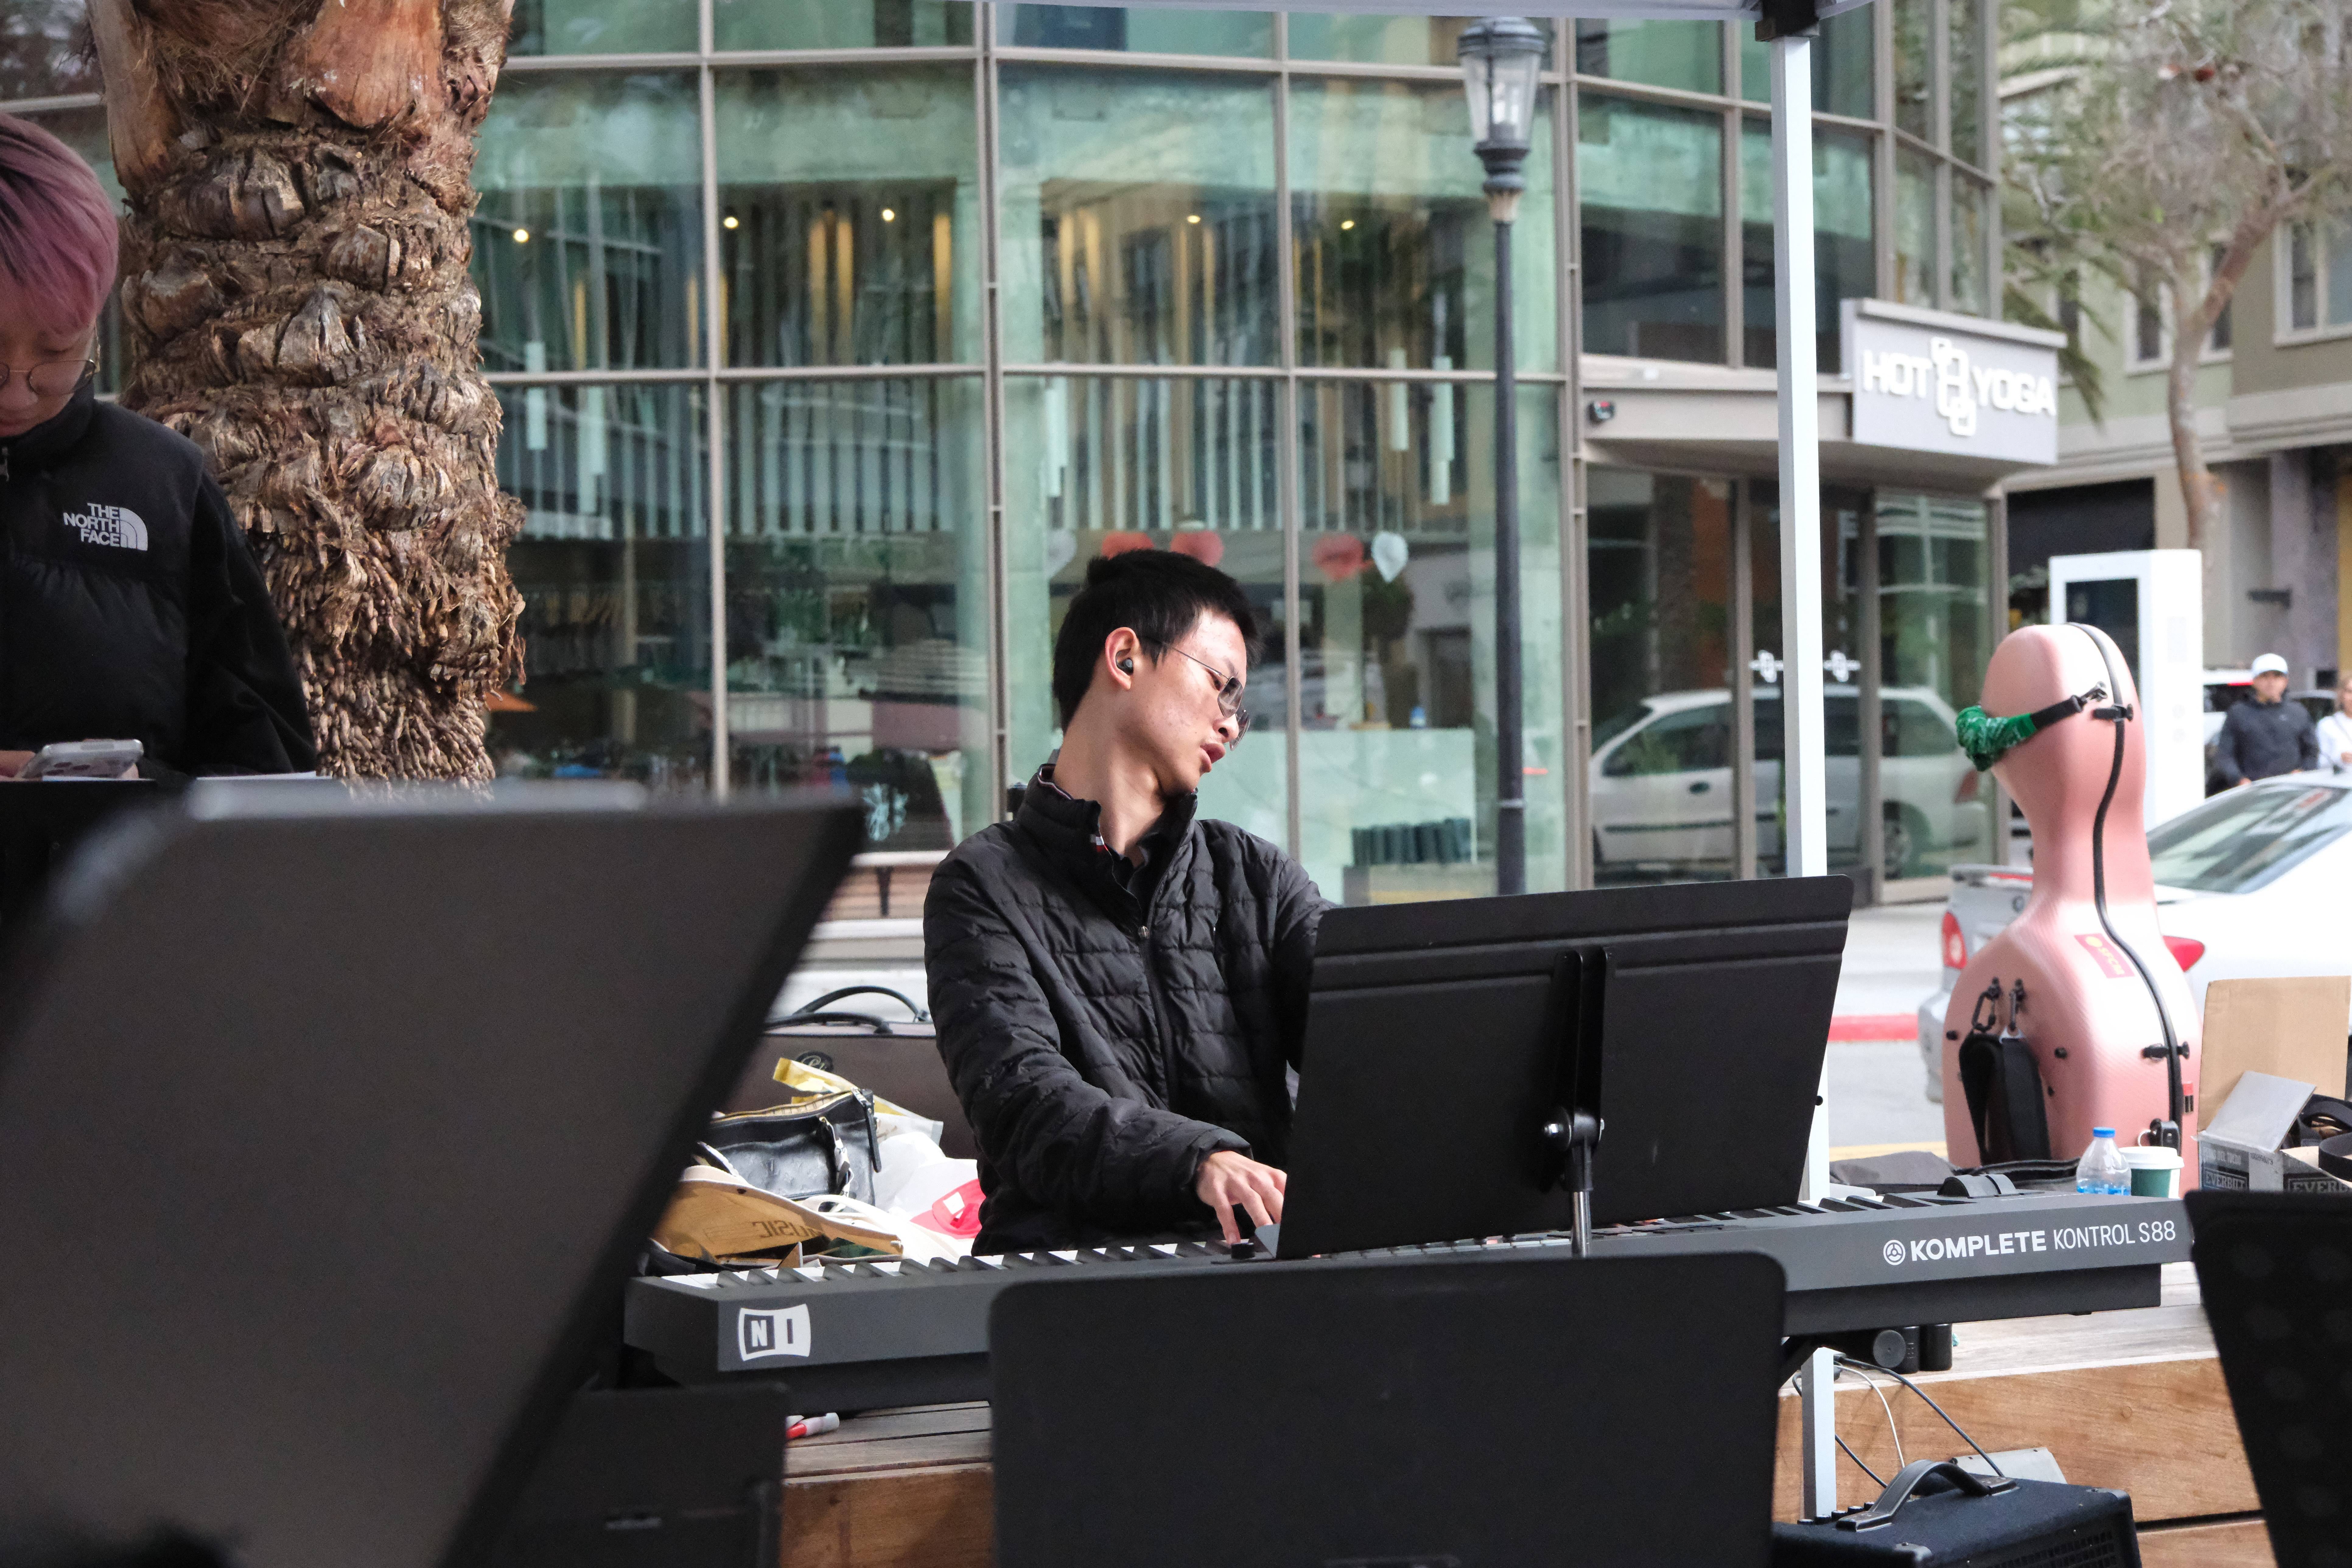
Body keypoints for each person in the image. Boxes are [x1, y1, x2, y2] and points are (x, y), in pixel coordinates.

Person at [923, 549, 1324, 1253]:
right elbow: (1025, 1107)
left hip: (1257, 1282)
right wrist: (1198, 1161)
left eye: (1240, 706)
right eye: (1222, 687)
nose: (1231, 724)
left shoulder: (1257, 878)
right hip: (1073, 1297)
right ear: (1127, 656)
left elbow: (1361, 1029)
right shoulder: (983, 884)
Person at [0, 115, 314, 779]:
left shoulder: (161, 482)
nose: (19, 396)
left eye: (57, 352)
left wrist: (136, 799)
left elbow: (270, 772)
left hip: (114, 884)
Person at [2213, 653, 2317, 787]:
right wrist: (2239, 780)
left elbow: (2312, 751)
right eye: (2265, 676)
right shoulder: (2238, 713)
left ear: (2286, 681)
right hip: (2253, 793)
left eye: (2277, 676)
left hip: (2292, 790)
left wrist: (2303, 772)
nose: (2271, 682)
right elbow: (2225, 755)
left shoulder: (2298, 712)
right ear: (2255, 681)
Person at [2317, 672, 2352, 775]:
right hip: (2340, 787)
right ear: (2342, 695)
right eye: (2350, 692)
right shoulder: (2328, 725)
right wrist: (2339, 758)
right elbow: (2320, 764)